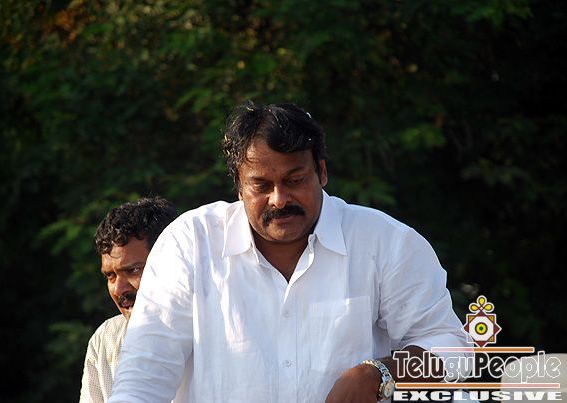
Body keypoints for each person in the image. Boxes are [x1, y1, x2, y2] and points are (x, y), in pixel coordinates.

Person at [109, 102, 470, 403]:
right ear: (239, 185)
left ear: (321, 173)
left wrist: (379, 374)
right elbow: (144, 376)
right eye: (261, 186)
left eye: (295, 180)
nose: (279, 200)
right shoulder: (190, 244)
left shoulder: (385, 242)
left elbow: (452, 349)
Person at [79, 197, 178, 403]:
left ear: (174, 263)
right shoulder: (105, 340)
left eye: (133, 270)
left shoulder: (216, 329)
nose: (118, 289)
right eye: (110, 276)